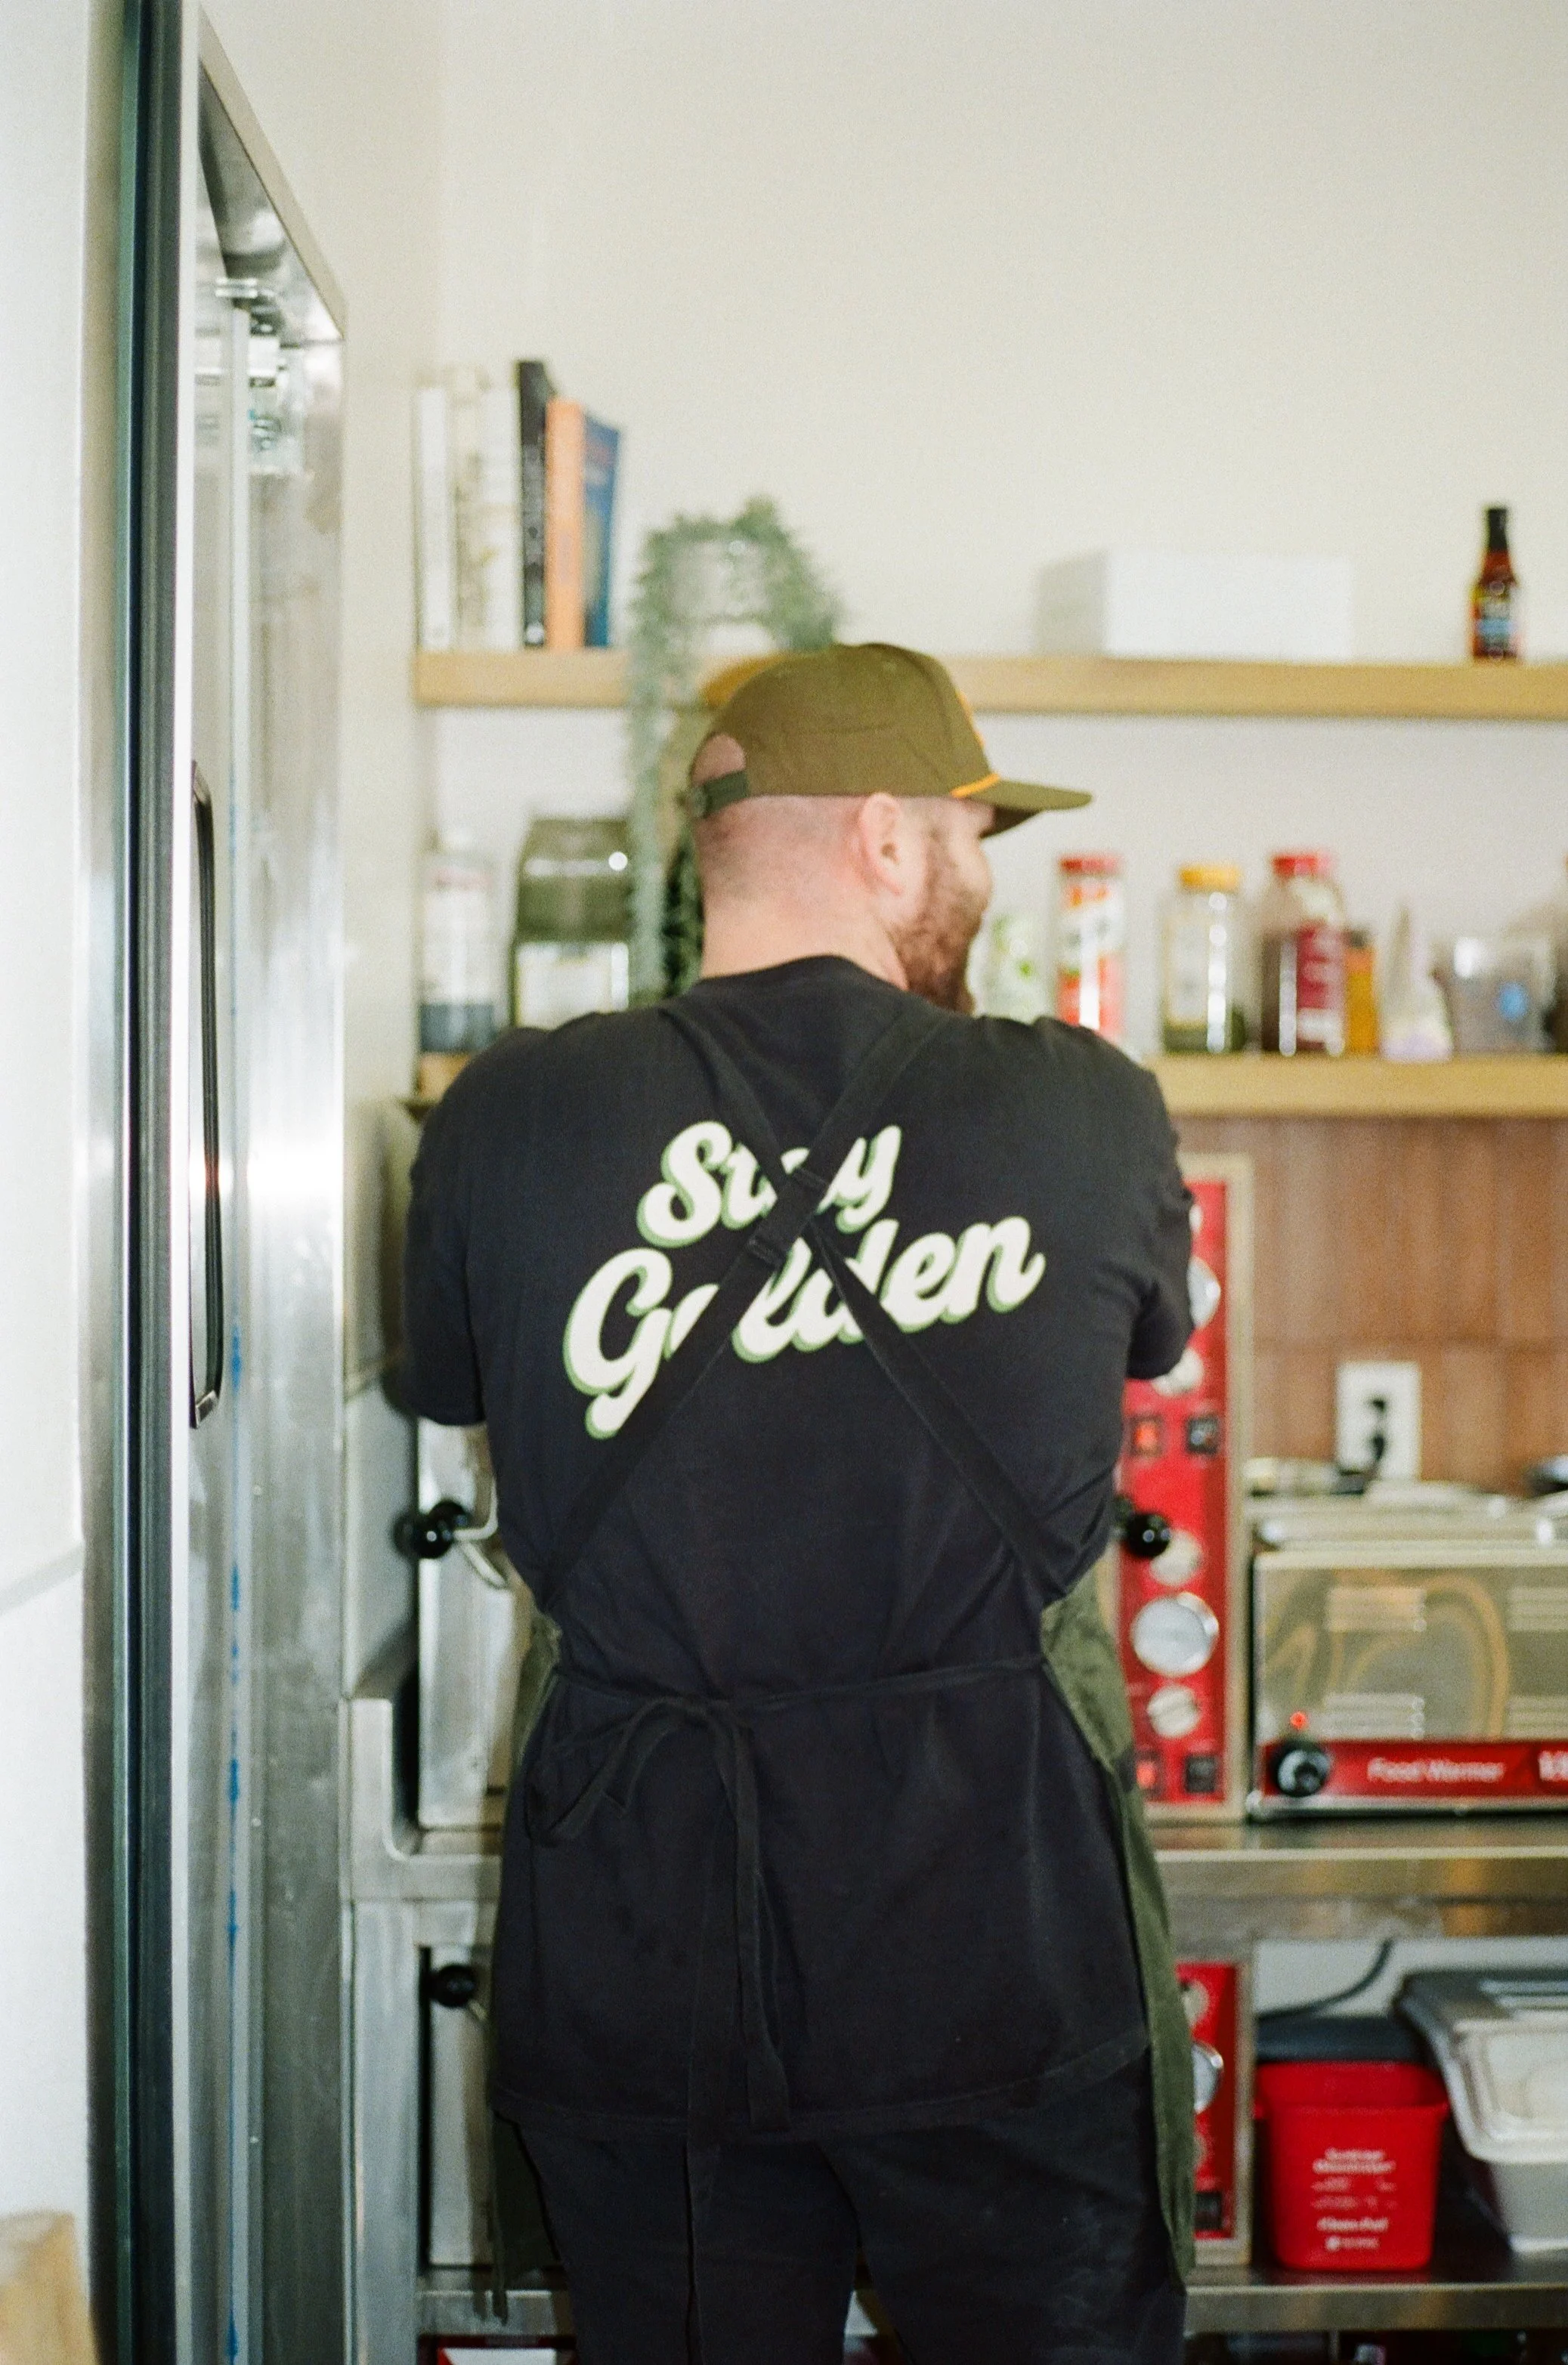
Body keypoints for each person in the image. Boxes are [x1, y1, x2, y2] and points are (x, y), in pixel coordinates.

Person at [401, 642, 1196, 2365]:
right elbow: (1147, 1342)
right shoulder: (1078, 1107)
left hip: (640, 1947)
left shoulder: (507, 1113)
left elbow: (454, 1389)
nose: (984, 878)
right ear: (890, 841)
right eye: (974, 835)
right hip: (993, 1931)